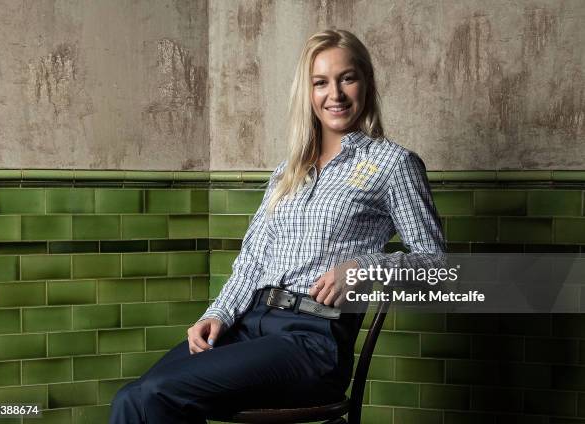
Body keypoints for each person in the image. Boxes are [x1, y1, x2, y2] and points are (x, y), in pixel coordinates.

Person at [110, 29, 446, 424]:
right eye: (320, 82)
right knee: (132, 399)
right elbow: (253, 259)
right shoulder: (288, 171)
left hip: (310, 341)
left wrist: (361, 267)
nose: (334, 94)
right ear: (308, 92)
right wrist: (217, 314)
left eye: (347, 78)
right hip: (249, 324)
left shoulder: (393, 165)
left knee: (156, 394)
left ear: (366, 83)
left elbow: (437, 264)